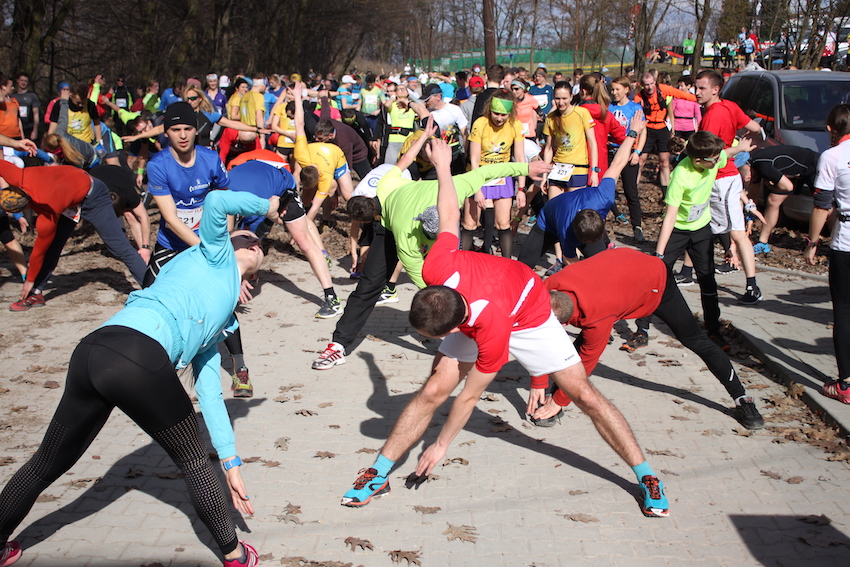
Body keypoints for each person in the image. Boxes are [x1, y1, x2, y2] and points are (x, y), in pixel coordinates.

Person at [340, 137, 670, 519]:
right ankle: (379, 472)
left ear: (449, 331)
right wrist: (443, 167)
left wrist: (441, 444)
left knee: (584, 395)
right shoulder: (436, 268)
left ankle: (646, 475)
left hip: (529, 315)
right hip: (489, 300)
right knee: (432, 390)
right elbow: (448, 213)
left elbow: (468, 398)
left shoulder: (492, 332)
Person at [0, 190, 275, 567]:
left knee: (45, 462)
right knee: (194, 462)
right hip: (135, 354)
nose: (253, 240)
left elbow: (210, 392)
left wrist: (230, 460)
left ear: (254, 274)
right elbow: (216, 203)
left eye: (257, 243)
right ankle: (235, 555)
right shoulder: (212, 253)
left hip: (94, 350)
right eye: (244, 236)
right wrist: (268, 207)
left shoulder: (220, 314)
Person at [312, 119, 550, 370]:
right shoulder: (405, 234)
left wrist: (526, 167)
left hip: (407, 216)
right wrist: (447, 308)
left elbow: (483, 172)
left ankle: (467, 329)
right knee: (369, 288)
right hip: (391, 227)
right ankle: (338, 345)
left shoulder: (450, 188)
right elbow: (422, 277)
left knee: (455, 278)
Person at [531, 242, 764, 430]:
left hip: (656, 281)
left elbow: (586, 363)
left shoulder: (598, 320)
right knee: (584, 339)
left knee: (695, 339)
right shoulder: (548, 286)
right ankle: (559, 388)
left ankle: (742, 399)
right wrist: (538, 379)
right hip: (623, 270)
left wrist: (559, 401)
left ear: (563, 323)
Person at [623, 130, 755, 352]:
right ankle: (642, 330)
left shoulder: (713, 158)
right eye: (713, 160)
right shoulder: (681, 175)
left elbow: (726, 153)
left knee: (708, 279)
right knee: (656, 280)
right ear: (698, 160)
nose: (718, 162)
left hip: (701, 229)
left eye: (717, 158)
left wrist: (741, 148)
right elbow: (670, 217)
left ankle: (713, 330)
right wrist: (659, 254)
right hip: (677, 230)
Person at [0, 160, 148, 311]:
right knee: (54, 246)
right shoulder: (17, 175)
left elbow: (39, 252)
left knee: (118, 246)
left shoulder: (49, 213)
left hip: (93, 194)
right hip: (68, 194)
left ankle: (153, 289)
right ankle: (35, 293)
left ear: (23, 207)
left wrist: (29, 279)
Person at [518, 111, 645, 269]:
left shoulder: (603, 197)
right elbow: (572, 265)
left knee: (602, 267)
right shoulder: (567, 230)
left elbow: (617, 163)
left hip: (581, 223)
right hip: (548, 222)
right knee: (523, 265)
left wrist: (632, 134)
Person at [227, 157, 342, 319]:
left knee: (303, 241)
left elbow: (251, 243)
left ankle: (332, 298)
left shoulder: (253, 211)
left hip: (280, 183)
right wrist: (237, 277)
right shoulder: (217, 205)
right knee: (241, 241)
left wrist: (239, 275)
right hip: (255, 172)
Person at [695, 69, 764, 304]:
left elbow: (710, 154)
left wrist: (737, 148)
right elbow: (755, 127)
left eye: (702, 88)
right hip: (722, 177)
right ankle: (689, 270)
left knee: (735, 232)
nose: (697, 92)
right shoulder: (730, 106)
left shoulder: (712, 117)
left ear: (716, 89)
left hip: (721, 178)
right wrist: (743, 138)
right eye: (696, 87)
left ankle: (752, 285)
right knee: (700, 225)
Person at [804, 104, 850, 403]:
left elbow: (822, 205)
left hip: (846, 242)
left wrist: (812, 243)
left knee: (844, 310)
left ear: (832, 129)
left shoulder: (832, 156)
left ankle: (846, 384)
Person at [465, 90, 526, 257]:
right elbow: (474, 159)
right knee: (470, 223)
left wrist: (521, 189)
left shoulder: (515, 124)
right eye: (496, 113)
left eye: (504, 115)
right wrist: (477, 189)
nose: (499, 118)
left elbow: (520, 158)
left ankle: (507, 263)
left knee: (503, 223)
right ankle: (462, 262)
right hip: (479, 174)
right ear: (489, 110)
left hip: (502, 176)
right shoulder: (481, 123)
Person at [742, 145, 820, 254]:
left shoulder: (762, 166)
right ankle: (763, 243)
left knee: (825, 206)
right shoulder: (753, 168)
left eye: (746, 183)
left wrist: (770, 186)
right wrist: (749, 218)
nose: (747, 185)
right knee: (773, 200)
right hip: (795, 170)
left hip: (812, 164)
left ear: (747, 178)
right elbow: (752, 198)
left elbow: (788, 187)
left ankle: (834, 246)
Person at [634, 72, 697, 196]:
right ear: (642, 85)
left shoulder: (663, 89)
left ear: (655, 82)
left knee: (665, 162)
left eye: (652, 83)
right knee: (640, 160)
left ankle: (666, 193)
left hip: (662, 128)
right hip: (647, 128)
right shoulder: (639, 97)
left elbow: (681, 95)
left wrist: (701, 100)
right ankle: (633, 191)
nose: (650, 87)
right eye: (646, 85)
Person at [608, 76, 647, 240]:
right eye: (612, 89)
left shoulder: (635, 108)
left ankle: (637, 226)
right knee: (606, 187)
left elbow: (643, 131)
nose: (614, 92)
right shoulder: (609, 107)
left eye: (617, 89)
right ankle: (606, 220)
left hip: (628, 152)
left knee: (631, 191)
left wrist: (637, 152)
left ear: (626, 90)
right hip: (610, 151)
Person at [10, 73, 39, 141]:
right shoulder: (12, 96)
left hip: (28, 128)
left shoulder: (32, 96)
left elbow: (36, 113)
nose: (23, 83)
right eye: (22, 80)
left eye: (25, 81)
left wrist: (35, 130)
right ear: (17, 81)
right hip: (15, 127)